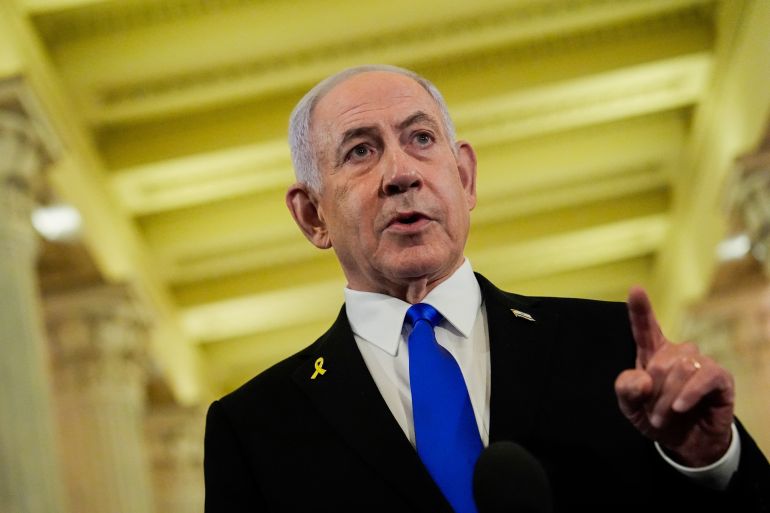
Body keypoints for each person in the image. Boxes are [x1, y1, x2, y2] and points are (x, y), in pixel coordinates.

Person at [203, 64, 770, 513]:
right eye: (360, 150)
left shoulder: (608, 347)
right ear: (311, 216)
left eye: (421, 138)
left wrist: (707, 458)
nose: (401, 173)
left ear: (466, 177)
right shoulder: (255, 428)